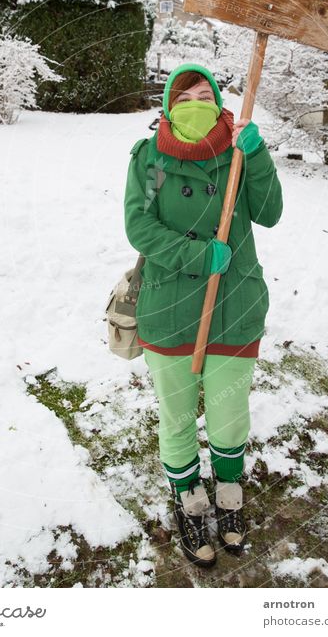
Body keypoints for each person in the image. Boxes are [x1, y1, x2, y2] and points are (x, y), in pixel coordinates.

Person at [123, 62, 283, 568]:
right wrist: (196, 255)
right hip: (170, 311)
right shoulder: (151, 158)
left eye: (204, 94)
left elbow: (271, 212)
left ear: (218, 100)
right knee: (176, 417)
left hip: (234, 307)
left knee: (228, 413)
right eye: (184, 95)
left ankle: (229, 495)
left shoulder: (238, 149)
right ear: (169, 105)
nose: (196, 103)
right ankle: (189, 500)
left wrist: (256, 157)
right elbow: (139, 226)